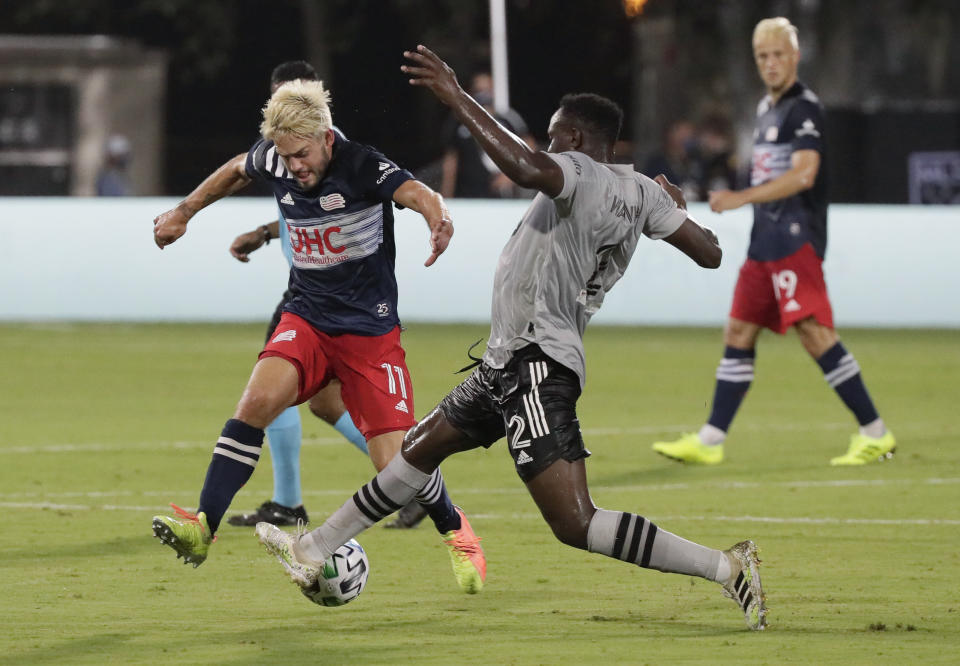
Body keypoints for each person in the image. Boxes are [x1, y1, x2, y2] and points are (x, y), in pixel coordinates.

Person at [256, 45, 767, 631]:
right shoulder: (641, 192)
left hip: (535, 365)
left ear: (573, 137)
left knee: (575, 522)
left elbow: (525, 166)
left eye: (551, 137)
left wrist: (453, 94)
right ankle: (313, 548)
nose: (545, 148)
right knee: (417, 452)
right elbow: (711, 253)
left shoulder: (575, 171)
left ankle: (727, 568)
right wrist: (673, 206)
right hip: (508, 361)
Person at [150, 76, 486, 593]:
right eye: (285, 157)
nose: (294, 166)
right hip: (306, 318)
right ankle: (202, 528)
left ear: (327, 139)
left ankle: (455, 529)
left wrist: (438, 218)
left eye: (302, 154)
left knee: (396, 468)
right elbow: (238, 168)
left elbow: (416, 192)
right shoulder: (276, 158)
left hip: (369, 335)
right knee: (255, 403)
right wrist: (184, 211)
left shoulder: (363, 165)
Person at [652, 17, 895, 467]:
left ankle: (875, 432)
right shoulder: (767, 109)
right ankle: (710, 439)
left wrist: (741, 197)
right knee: (740, 331)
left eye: (778, 54)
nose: (770, 63)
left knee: (816, 334)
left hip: (794, 239)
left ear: (795, 56)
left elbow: (804, 175)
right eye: (762, 56)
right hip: (765, 242)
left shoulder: (805, 109)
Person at [224, 60, 427, 531]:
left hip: (332, 296)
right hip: (310, 290)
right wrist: (264, 232)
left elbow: (339, 207)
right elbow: (303, 209)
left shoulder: (331, 149)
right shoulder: (283, 148)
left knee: (273, 390)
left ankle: (299, 500)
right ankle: (406, 486)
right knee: (322, 402)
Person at [440, 71, 536, 198]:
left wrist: (510, 177)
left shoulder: (507, 117)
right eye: (479, 90)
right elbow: (451, 159)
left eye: (487, 89)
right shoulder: (459, 119)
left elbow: (530, 148)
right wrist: (446, 194)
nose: (483, 94)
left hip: (499, 196)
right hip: (466, 195)